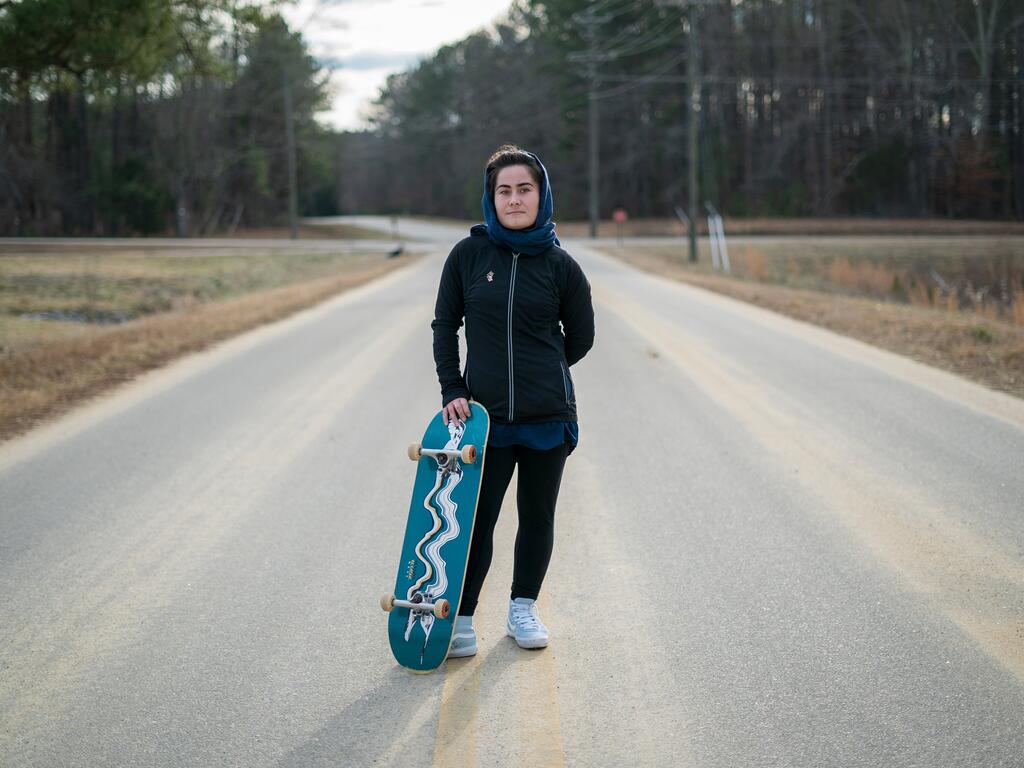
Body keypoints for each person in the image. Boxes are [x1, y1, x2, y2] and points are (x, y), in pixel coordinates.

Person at [431, 144, 595, 657]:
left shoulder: (561, 266)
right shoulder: (468, 256)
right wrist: (454, 389)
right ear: (491, 197)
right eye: (505, 190)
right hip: (485, 422)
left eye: (525, 189)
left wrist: (541, 371)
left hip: (548, 418)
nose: (515, 199)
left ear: (541, 195)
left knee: (537, 516)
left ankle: (523, 608)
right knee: (477, 520)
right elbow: (445, 326)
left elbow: (582, 339)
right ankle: (461, 617)